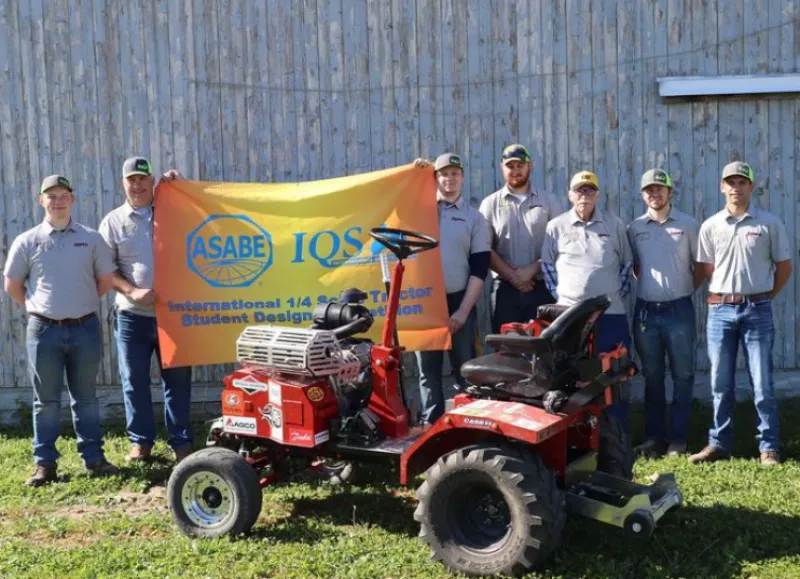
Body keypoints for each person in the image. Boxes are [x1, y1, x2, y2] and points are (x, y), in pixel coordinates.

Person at [3, 175, 121, 486]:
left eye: (63, 195)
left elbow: (106, 281)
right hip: (44, 333)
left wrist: (79, 302)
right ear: (40, 200)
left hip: (85, 329)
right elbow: (12, 285)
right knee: (46, 401)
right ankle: (45, 464)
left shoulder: (91, 238)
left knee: (86, 398)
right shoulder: (28, 241)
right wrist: (35, 306)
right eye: (51, 196)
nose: (57, 201)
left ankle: (94, 459)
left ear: (72, 199)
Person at [689, 161, 792, 467]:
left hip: (757, 310)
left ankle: (769, 447)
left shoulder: (768, 223)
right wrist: (726, 295)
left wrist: (765, 297)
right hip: (720, 311)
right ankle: (719, 443)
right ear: (722, 187)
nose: (736, 187)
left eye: (742, 182)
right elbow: (706, 269)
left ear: (752, 186)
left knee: (762, 383)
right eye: (730, 182)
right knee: (720, 383)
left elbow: (784, 267)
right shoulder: (711, 226)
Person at [99, 157, 194, 463]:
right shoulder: (113, 221)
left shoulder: (173, 213)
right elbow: (105, 270)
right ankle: (141, 443)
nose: (137, 185)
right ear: (123, 183)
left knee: (177, 382)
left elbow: (202, 222)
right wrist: (131, 290)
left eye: (143, 179)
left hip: (173, 316)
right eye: (132, 179)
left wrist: (180, 189)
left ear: (153, 181)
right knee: (134, 380)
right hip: (131, 317)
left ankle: (181, 442)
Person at [541, 170, 634, 428]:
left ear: (598, 195)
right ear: (570, 195)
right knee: (573, 375)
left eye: (590, 190)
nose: (584, 195)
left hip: (611, 314)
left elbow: (626, 265)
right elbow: (547, 266)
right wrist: (565, 298)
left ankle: (616, 430)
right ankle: (577, 429)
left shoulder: (614, 224)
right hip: (569, 317)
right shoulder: (556, 226)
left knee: (614, 372)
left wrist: (611, 295)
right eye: (579, 190)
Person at [627, 169, 702, 457]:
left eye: (660, 189)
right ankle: (653, 437)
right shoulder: (635, 228)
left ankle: (678, 439)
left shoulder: (688, 225)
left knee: (683, 375)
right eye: (649, 189)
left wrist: (681, 291)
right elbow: (634, 267)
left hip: (679, 310)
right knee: (652, 376)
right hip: (646, 311)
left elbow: (700, 266)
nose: (654, 194)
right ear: (642, 194)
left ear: (671, 193)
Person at [412, 153, 491, 423]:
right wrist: (414, 173)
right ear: (436, 178)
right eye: (443, 173)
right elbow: (396, 205)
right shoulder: (419, 211)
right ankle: (429, 429)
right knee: (428, 372)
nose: (449, 178)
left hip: (460, 302)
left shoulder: (474, 218)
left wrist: (463, 311)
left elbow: (480, 269)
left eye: (455, 173)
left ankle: (465, 425)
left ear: (463, 178)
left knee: (465, 370)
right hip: (426, 302)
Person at [479, 144, 564, 332]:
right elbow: (484, 247)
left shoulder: (549, 201)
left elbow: (560, 244)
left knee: (543, 350)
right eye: (510, 166)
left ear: (530, 166)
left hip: (542, 286)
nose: (516, 171)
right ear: (502, 168)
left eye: (520, 165)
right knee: (507, 351)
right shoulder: (490, 204)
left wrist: (532, 269)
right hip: (504, 291)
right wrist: (513, 277)